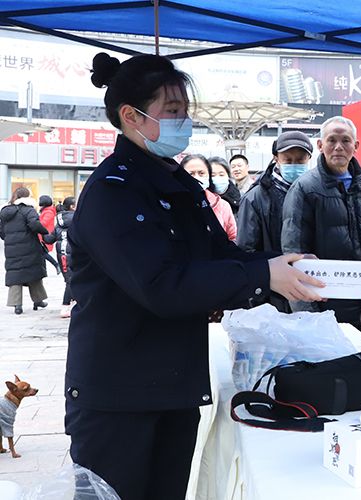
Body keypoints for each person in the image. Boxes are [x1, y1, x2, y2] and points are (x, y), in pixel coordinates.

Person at [65, 52, 324, 500]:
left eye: (186, 112)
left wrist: (286, 267)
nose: (183, 123)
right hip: (118, 398)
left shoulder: (179, 183)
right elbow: (162, 286)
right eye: (172, 112)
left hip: (171, 387)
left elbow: (221, 256)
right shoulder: (114, 192)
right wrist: (264, 276)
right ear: (131, 116)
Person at [282, 116, 361, 350]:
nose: (338, 147)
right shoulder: (304, 188)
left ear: (356, 146)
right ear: (320, 145)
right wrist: (309, 317)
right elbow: (293, 255)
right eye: (331, 140)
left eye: (345, 140)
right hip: (326, 317)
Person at [237, 131, 313, 312]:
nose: (294, 165)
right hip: (273, 296)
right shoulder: (255, 198)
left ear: (309, 158)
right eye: (288, 160)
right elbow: (245, 249)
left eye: (300, 160)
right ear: (276, 159)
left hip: (312, 288)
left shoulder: (315, 192)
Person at [0, 187, 49, 315]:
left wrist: (9, 238)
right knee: (33, 272)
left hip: (11, 248)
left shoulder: (5, 211)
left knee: (15, 274)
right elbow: (34, 224)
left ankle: (17, 305)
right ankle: (38, 300)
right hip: (29, 246)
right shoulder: (28, 210)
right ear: (27, 196)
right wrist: (45, 231)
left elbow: (1, 231)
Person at [181, 154, 238, 241]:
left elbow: (233, 238)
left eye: (201, 173)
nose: (197, 178)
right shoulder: (171, 204)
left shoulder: (222, 205)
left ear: (208, 175)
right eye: (191, 174)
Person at [43, 196, 76, 318]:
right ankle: (65, 306)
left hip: (62, 255)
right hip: (73, 254)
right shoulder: (77, 221)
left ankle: (72, 302)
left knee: (70, 280)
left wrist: (40, 232)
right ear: (72, 207)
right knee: (71, 280)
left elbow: (49, 239)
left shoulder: (59, 224)